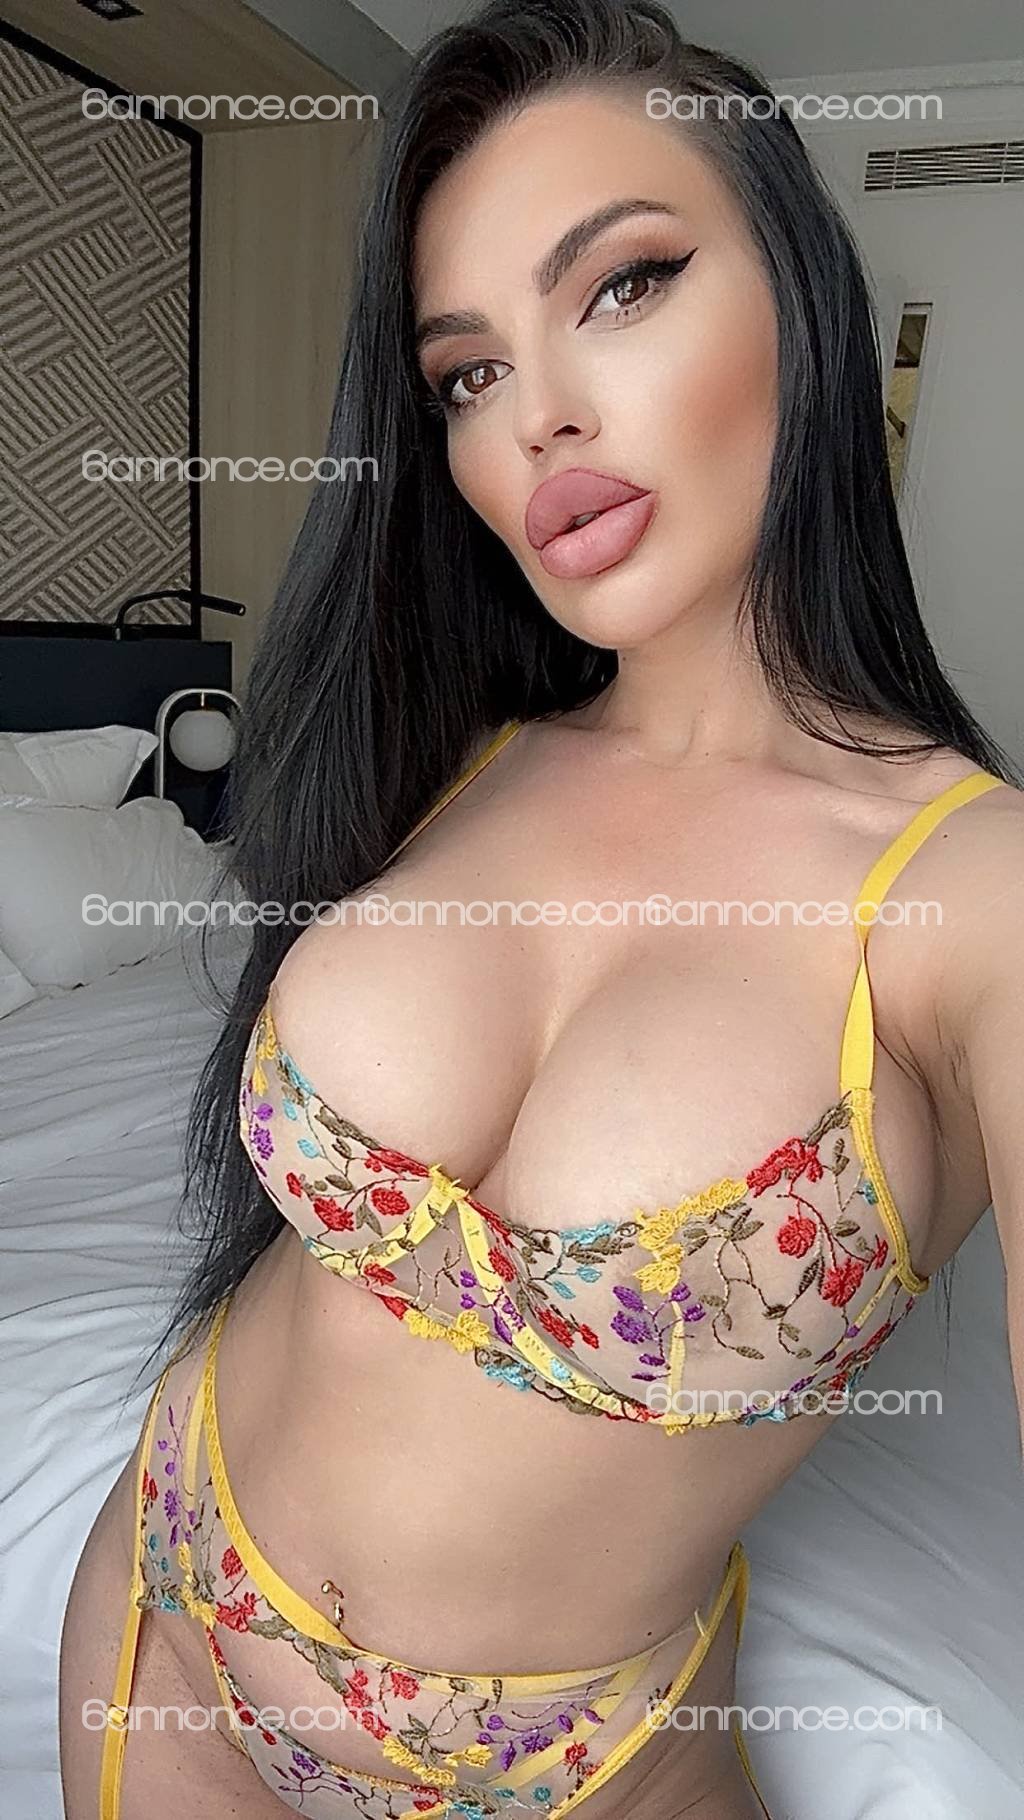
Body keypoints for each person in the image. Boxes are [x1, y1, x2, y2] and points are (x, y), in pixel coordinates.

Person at [59, 3, 1024, 1817]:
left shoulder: (977, 899)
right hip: (163, 1596)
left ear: (803, 297)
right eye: (466, 375)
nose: (537, 415)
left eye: (626, 285)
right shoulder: (453, 750)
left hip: (578, 1767)